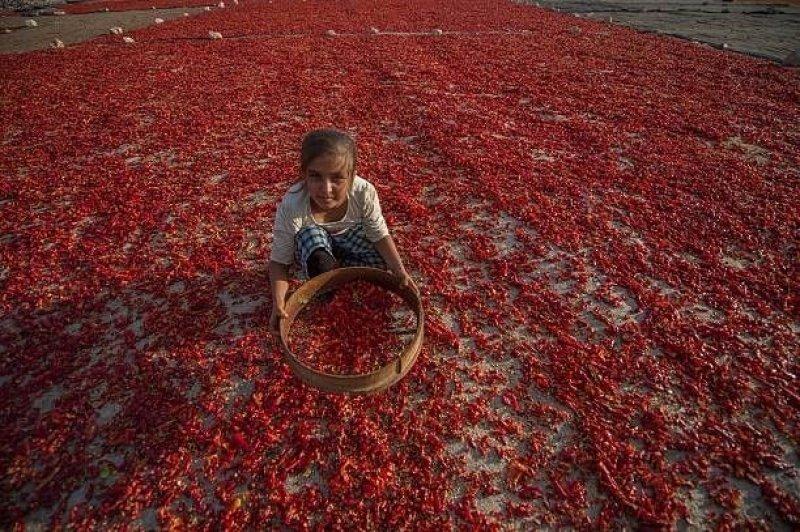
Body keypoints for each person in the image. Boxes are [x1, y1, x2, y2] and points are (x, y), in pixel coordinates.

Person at [268, 128, 415, 333]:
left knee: (379, 265)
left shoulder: (363, 192)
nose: (326, 189)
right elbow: (279, 262)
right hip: (316, 245)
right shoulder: (293, 204)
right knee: (313, 245)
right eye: (315, 176)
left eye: (337, 178)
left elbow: (379, 234)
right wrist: (279, 302)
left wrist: (399, 271)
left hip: (352, 241)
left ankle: (338, 271)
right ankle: (328, 282)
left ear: (352, 176)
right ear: (304, 175)